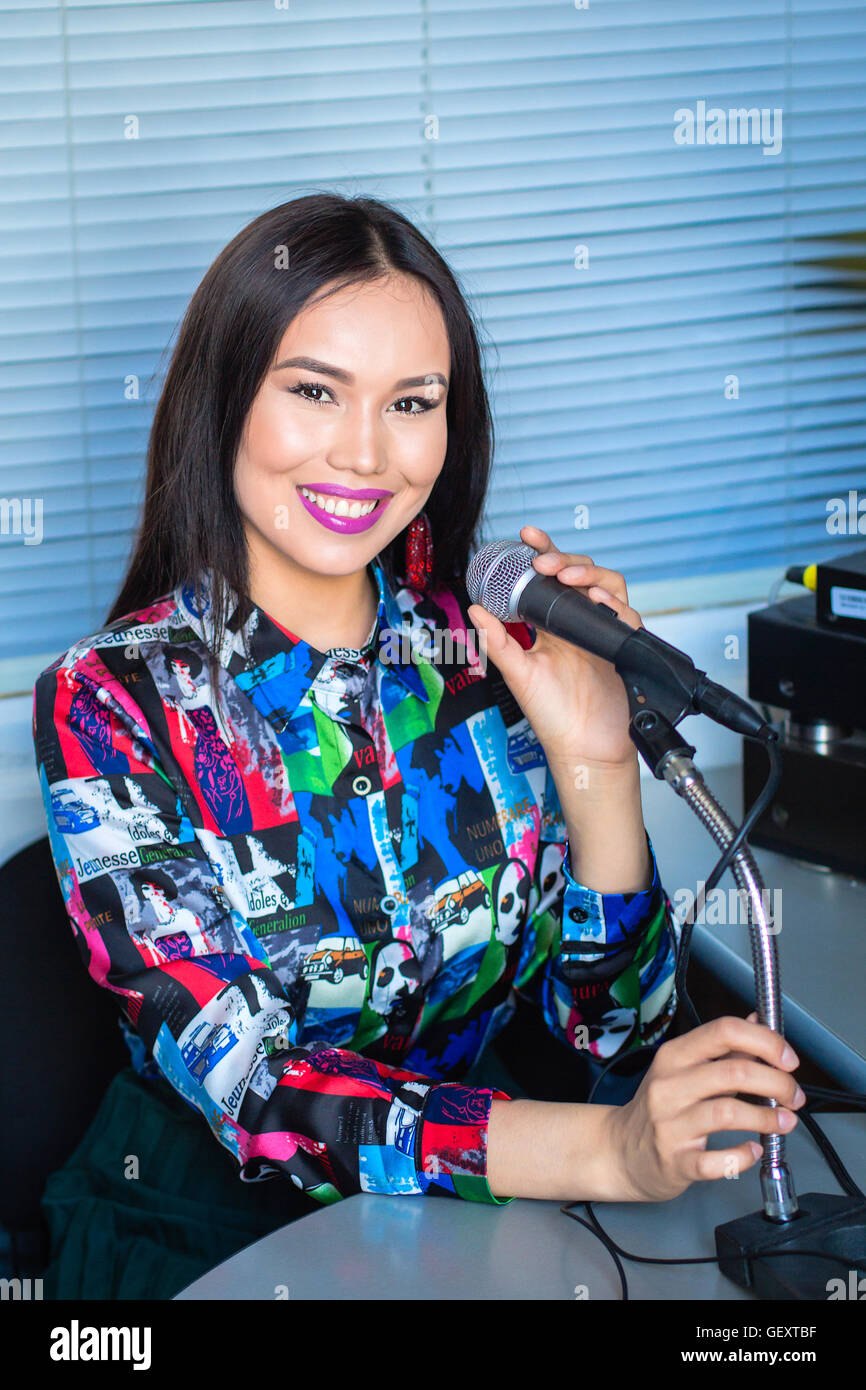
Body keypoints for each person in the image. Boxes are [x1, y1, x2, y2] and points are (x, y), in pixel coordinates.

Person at [32, 192, 804, 1299]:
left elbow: (610, 1032)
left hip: (483, 1217)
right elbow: (257, 1088)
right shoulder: (109, 699)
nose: (364, 451)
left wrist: (592, 766)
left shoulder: (487, 651)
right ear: (225, 401)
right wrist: (603, 1151)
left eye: (410, 402)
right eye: (312, 391)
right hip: (210, 1231)